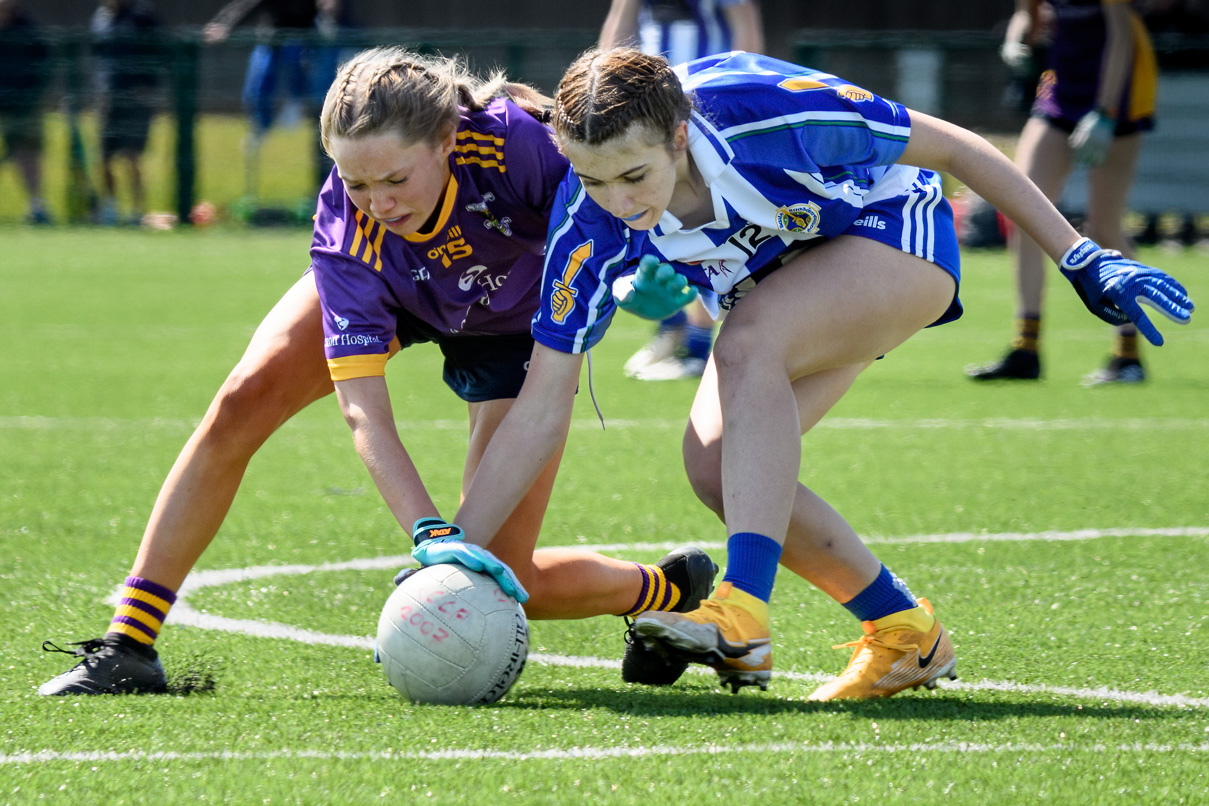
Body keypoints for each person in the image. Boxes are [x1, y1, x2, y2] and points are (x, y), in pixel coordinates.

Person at [424, 47, 1191, 699]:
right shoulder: (586, 217)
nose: (617, 201)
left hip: (895, 240)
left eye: (634, 176)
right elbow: (541, 402)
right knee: (716, 468)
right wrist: (453, 549)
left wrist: (1078, 253)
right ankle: (904, 634)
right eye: (592, 179)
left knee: (746, 342)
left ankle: (740, 616)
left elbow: (959, 150)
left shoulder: (763, 111)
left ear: (679, 132)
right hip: (784, 293)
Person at [37, 46, 717, 696]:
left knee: (506, 578)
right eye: (355, 182)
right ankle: (129, 644)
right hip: (398, 292)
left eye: (395, 179)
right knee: (242, 399)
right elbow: (362, 406)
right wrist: (430, 533)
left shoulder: (520, 147)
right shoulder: (350, 230)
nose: (380, 202)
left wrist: (646, 272)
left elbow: (621, 203)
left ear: (446, 141)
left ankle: (664, 591)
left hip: (518, 324)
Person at [966, 0, 1161, 385]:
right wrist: (1015, 40)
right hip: (1062, 89)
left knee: (1104, 227)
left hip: (1116, 93)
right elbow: (1028, 13)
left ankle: (1128, 356)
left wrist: (1104, 113)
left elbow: (1121, 37)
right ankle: (1026, 348)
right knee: (1022, 212)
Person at [600, 0, 765, 381]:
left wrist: (745, 95)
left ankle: (695, 347)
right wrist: (604, 91)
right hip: (646, 108)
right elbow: (622, 17)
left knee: (700, 220)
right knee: (655, 217)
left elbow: (745, 22)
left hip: (704, 106)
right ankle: (673, 330)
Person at [202, 0, 348, 197]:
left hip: (307, 43)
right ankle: (260, 123)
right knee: (259, 85)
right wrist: (224, 25)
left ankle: (295, 106)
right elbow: (247, 5)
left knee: (317, 91)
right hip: (274, 42)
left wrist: (330, 8)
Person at [91, 0, 163, 226]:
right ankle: (110, 208)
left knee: (132, 155)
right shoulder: (100, 18)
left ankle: (136, 210)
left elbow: (159, 52)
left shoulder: (142, 17)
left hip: (136, 99)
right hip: (108, 97)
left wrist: (147, 85)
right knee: (104, 157)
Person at [0, 0, 53, 225]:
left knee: (27, 155)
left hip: (25, 105)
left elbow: (45, 64)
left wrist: (34, 96)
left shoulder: (29, 29)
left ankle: (36, 206)